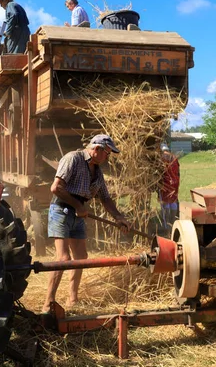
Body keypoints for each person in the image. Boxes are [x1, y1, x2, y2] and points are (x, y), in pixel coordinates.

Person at [42, 134, 130, 313]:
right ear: (97, 149)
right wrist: (77, 206)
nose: (108, 157)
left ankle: (72, 299)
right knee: (63, 259)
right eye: (107, 153)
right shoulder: (73, 158)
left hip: (78, 213)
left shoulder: (97, 171)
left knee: (81, 257)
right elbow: (56, 187)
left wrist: (119, 217)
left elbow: (105, 198)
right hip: (61, 211)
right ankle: (48, 302)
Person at [159, 144, 180, 231]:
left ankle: (166, 225)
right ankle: (173, 222)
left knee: (165, 203)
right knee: (173, 201)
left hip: (165, 183)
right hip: (175, 183)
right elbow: (178, 171)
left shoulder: (161, 158)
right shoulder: (174, 157)